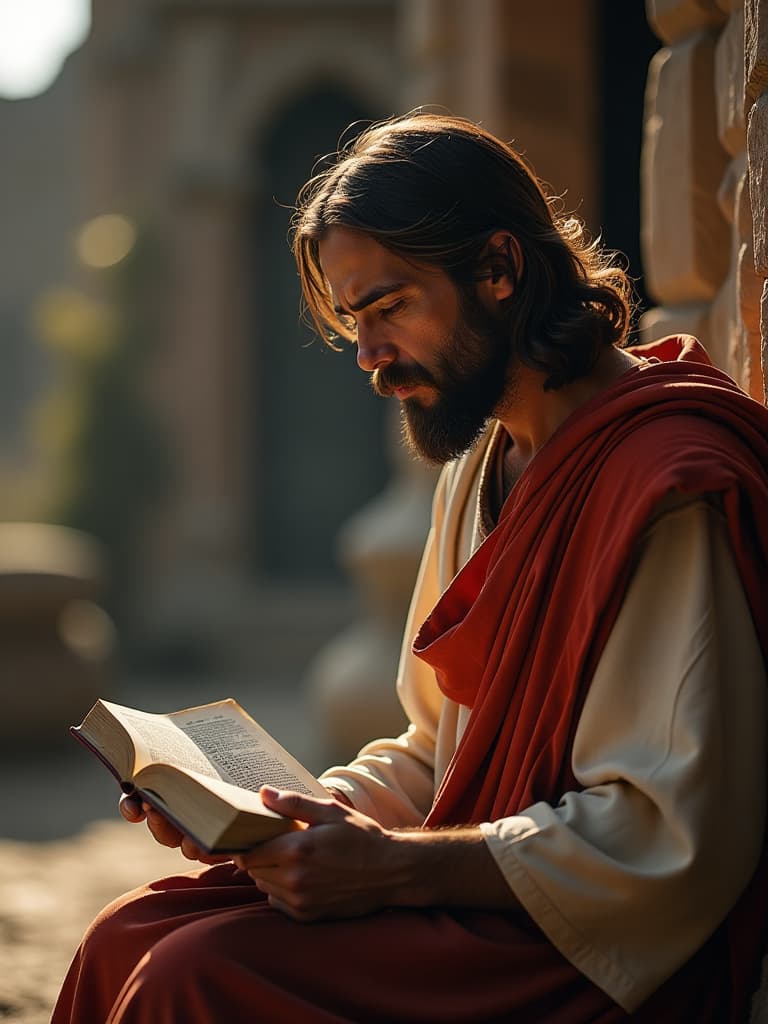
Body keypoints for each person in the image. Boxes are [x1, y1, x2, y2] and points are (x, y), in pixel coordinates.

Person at [53, 112, 768, 1023]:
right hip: (471, 891)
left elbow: (674, 840)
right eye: (354, 322)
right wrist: (272, 822)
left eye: (390, 307)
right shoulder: (480, 468)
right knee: (126, 932)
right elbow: (440, 754)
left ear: (500, 269)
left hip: (586, 950)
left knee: (192, 975)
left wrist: (391, 868)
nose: (369, 358)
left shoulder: (665, 484)